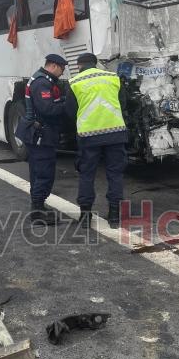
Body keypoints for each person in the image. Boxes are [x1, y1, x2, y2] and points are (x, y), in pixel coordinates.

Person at [67, 52, 127, 228]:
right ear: (95, 64)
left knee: (87, 174)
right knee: (115, 174)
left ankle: (85, 216)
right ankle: (114, 216)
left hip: (88, 136)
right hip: (115, 133)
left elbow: (70, 110)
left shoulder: (75, 82)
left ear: (79, 65)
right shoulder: (113, 78)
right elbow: (122, 104)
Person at [15, 54, 68, 224]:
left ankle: (38, 206)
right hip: (40, 135)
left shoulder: (42, 79)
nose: (63, 72)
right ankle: (37, 212)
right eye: (62, 68)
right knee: (44, 172)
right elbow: (48, 109)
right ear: (53, 66)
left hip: (37, 133)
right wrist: (68, 104)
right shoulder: (42, 83)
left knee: (38, 172)